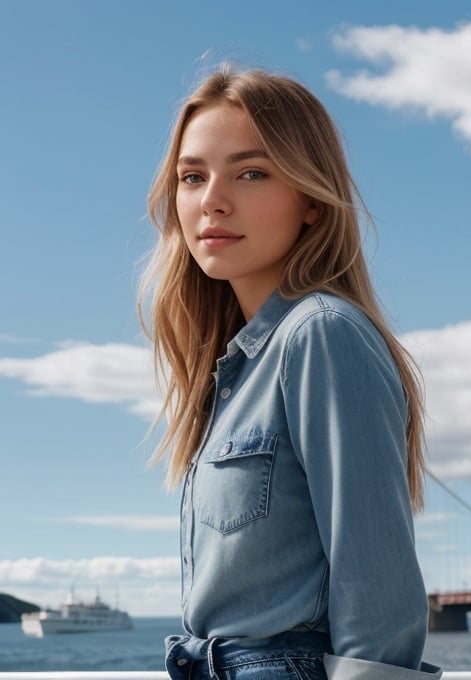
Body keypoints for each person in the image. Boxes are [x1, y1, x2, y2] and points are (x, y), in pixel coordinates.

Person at [139, 65, 441, 680]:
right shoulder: (239, 366)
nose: (212, 200)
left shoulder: (321, 335)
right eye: (192, 177)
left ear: (310, 198)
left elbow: (376, 584)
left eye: (251, 173)